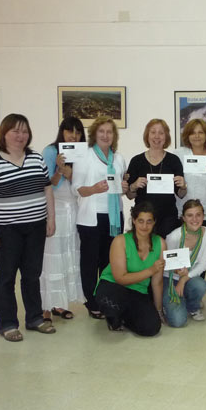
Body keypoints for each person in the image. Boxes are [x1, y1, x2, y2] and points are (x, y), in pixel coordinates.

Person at [0, 114, 56, 341]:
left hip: (35, 227)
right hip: (7, 229)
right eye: (15, 131)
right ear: (4, 133)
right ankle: (8, 324)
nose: (21, 136)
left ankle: (34, 318)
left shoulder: (36, 159)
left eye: (24, 131)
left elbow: (47, 189)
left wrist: (51, 219)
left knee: (32, 275)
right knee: (6, 277)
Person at [72, 116, 128, 319]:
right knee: (90, 262)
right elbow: (76, 189)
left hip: (114, 217)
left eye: (109, 132)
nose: (105, 135)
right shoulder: (84, 157)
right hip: (91, 219)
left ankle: (105, 297)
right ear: (94, 134)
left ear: (114, 136)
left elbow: (120, 188)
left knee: (109, 261)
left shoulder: (119, 158)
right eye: (101, 131)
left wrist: (124, 188)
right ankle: (91, 301)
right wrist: (94, 189)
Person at [39, 117, 86, 323]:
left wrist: (70, 173)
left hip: (74, 209)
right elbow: (47, 183)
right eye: (69, 131)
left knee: (69, 255)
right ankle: (44, 308)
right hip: (55, 208)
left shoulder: (82, 153)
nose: (73, 136)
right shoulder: (50, 151)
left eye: (77, 132)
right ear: (62, 132)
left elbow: (81, 183)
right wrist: (59, 169)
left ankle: (60, 304)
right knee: (51, 257)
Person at [94, 202, 165, 336]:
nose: (144, 226)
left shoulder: (160, 243)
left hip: (138, 291)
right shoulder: (120, 241)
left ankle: (124, 317)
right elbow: (120, 278)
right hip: (113, 286)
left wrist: (159, 311)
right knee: (110, 300)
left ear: (154, 222)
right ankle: (114, 317)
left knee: (152, 328)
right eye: (141, 221)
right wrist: (150, 270)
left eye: (149, 221)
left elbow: (157, 282)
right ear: (133, 220)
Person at [126, 119, 186, 238]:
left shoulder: (173, 160)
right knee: (143, 253)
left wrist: (184, 186)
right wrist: (133, 186)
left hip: (168, 218)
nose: (157, 136)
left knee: (165, 254)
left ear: (166, 137)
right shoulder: (136, 161)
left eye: (161, 133)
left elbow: (181, 194)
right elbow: (129, 195)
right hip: (143, 219)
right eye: (153, 132)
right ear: (147, 135)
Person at [163, 199, 206, 327]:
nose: (194, 219)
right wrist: (177, 272)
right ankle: (174, 300)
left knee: (201, 285)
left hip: (188, 277)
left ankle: (192, 306)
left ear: (203, 216)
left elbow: (202, 265)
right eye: (190, 215)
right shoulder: (174, 237)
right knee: (178, 321)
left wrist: (184, 279)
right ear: (183, 217)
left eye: (198, 215)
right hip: (170, 278)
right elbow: (164, 264)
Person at [174, 118, 206, 230]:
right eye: (193, 133)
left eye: (200, 132)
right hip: (182, 213)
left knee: (203, 245)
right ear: (187, 136)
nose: (196, 136)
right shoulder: (178, 154)